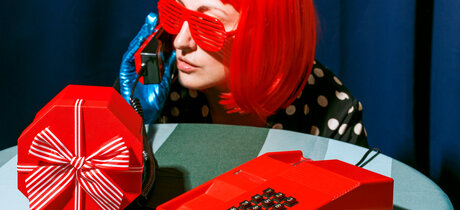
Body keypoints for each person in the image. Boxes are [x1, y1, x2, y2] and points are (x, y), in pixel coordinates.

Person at [118, 0, 368, 147]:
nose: (180, 42)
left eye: (207, 25)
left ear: (266, 32)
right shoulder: (162, 86)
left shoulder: (331, 109)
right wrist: (129, 122)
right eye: (174, 13)